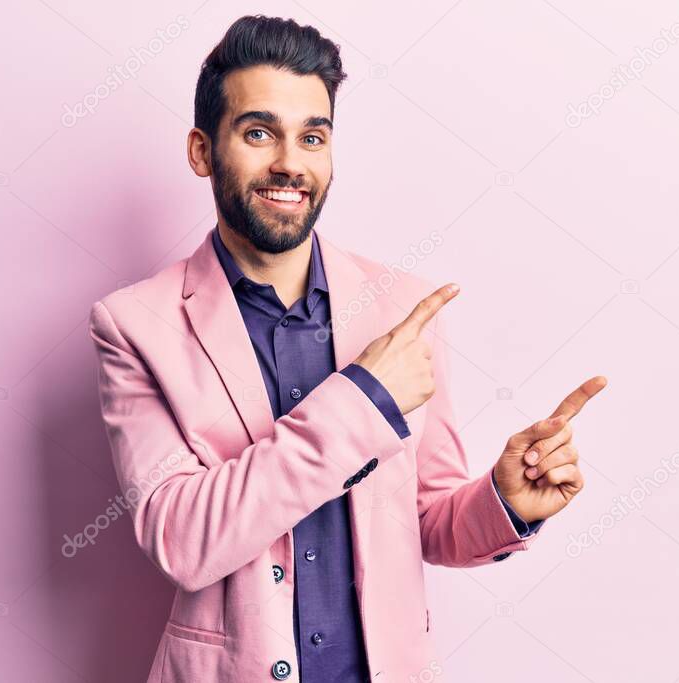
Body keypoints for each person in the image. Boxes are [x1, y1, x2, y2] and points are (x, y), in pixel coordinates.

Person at [88, 14, 606, 682]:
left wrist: (503, 502)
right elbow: (184, 537)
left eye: (312, 136)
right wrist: (363, 398)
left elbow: (428, 518)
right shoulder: (134, 326)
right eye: (257, 132)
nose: (289, 162)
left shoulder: (401, 308)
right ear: (200, 151)